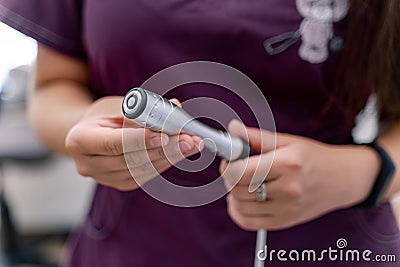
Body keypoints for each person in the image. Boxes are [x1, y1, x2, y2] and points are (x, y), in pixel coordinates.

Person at [1, 0, 399, 266]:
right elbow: (53, 88)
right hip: (134, 246)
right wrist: (87, 123)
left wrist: (361, 174)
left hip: (327, 245)